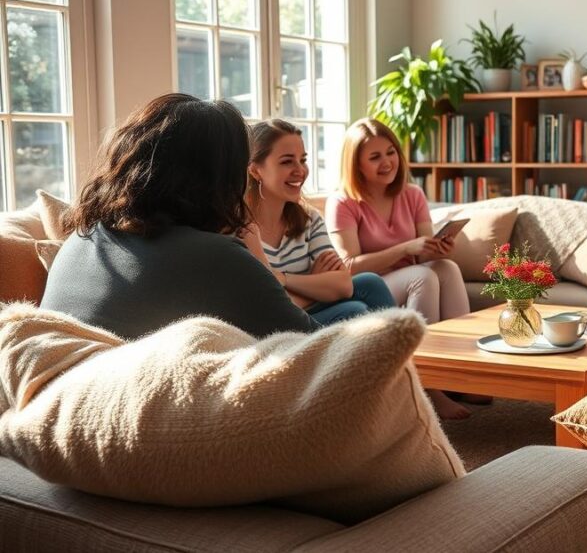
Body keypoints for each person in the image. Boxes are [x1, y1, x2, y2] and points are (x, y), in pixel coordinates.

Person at [42, 94, 320, 338]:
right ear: (221, 180)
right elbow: (313, 346)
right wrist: (258, 258)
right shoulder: (217, 256)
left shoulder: (82, 237)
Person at [326, 117, 473, 419]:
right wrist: (406, 248)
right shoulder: (343, 203)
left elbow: (423, 252)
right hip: (369, 285)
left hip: (410, 276)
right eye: (375, 157)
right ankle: (426, 388)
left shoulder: (412, 194)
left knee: (445, 267)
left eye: (390, 152)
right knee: (423, 277)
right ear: (356, 165)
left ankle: (465, 371)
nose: (387, 162)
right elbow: (348, 266)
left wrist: (436, 247)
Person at [243, 119, 394, 325]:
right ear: (255, 170)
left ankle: (403, 353)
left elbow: (343, 285)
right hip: (272, 324)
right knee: (355, 310)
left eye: (302, 160)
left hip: (301, 311)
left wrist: (285, 279)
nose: (300, 170)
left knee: (371, 282)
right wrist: (315, 284)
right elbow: (266, 305)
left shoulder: (309, 219)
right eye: (287, 161)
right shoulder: (241, 228)